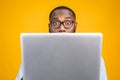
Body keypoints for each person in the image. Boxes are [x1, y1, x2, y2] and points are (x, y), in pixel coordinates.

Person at [16, 6, 107, 80]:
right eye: (55, 23)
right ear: (49, 27)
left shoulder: (93, 58)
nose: (61, 29)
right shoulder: (32, 57)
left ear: (75, 26)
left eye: (67, 23)